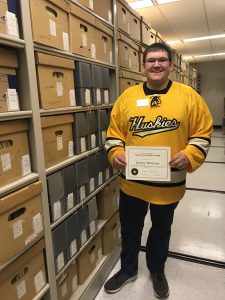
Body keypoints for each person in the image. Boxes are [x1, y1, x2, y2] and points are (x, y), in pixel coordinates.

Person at [104, 42, 213, 298]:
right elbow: (114, 134)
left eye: (162, 60)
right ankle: (128, 269)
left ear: (170, 65)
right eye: (151, 60)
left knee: (161, 230)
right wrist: (115, 153)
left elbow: (203, 133)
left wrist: (190, 154)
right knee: (130, 229)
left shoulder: (189, 97)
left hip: (169, 185)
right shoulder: (127, 98)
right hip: (133, 183)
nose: (156, 64)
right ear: (143, 65)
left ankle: (157, 270)